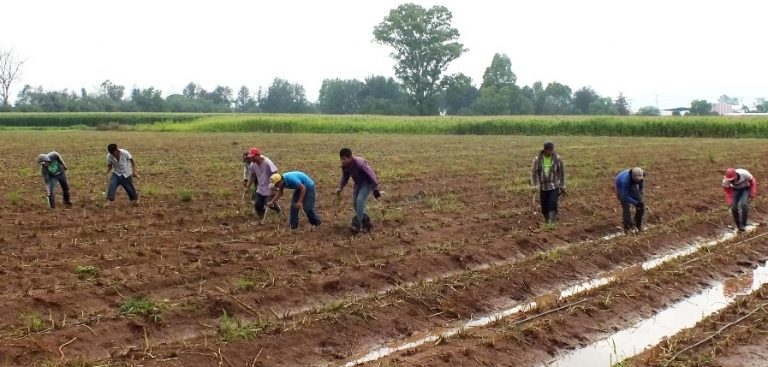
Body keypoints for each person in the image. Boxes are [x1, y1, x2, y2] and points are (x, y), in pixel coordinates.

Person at [336, 148, 381, 233]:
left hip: (367, 183)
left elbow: (371, 174)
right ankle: (366, 222)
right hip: (358, 184)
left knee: (360, 201)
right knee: (355, 203)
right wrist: (340, 187)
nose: (343, 161)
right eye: (341, 159)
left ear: (350, 157)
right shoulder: (345, 166)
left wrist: (375, 188)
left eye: (344, 159)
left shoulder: (359, 163)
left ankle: (357, 224)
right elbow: (345, 177)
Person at [530, 141, 566, 224]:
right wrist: (534, 185)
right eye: (549, 150)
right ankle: (547, 221)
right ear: (544, 150)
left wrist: (562, 185)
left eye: (552, 150)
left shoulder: (557, 158)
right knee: (545, 206)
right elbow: (533, 173)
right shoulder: (537, 159)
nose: (551, 151)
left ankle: (551, 223)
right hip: (543, 187)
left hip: (554, 185)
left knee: (552, 203)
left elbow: (561, 173)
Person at [246, 147, 282, 224]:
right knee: (257, 205)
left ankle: (278, 209)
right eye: (251, 157)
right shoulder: (253, 165)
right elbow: (252, 176)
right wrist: (248, 186)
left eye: (253, 157)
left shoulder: (267, 162)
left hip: (269, 187)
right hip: (261, 187)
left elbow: (275, 173)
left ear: (258, 155)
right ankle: (261, 218)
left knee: (268, 203)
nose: (251, 159)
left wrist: (274, 185)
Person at [722, 167, 757, 232]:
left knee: (744, 205)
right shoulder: (725, 181)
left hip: (745, 189)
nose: (731, 181)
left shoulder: (744, 173)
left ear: (735, 176)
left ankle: (744, 224)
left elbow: (753, 181)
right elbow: (728, 191)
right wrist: (730, 200)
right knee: (734, 208)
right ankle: (739, 226)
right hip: (735, 190)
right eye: (730, 180)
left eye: (732, 180)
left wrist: (752, 192)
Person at [615, 167, 645, 233]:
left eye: (639, 180)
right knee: (626, 208)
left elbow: (641, 188)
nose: (638, 181)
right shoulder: (625, 181)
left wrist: (640, 201)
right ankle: (627, 227)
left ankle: (638, 224)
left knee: (641, 206)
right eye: (637, 180)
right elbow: (624, 196)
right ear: (632, 177)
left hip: (632, 184)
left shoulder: (641, 176)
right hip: (621, 189)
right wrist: (635, 203)